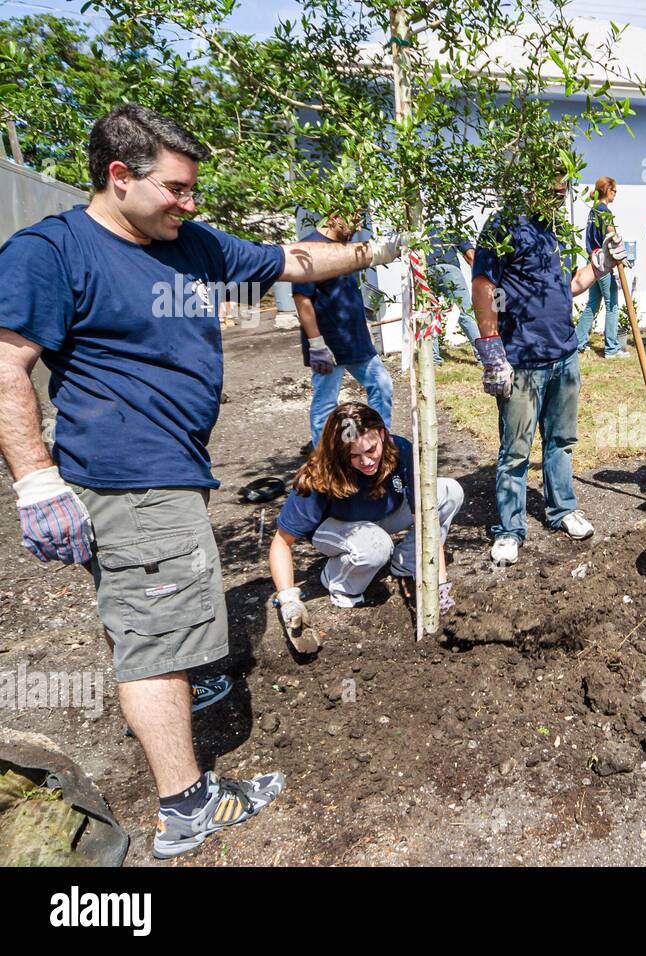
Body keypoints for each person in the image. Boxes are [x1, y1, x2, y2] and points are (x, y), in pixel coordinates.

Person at [0, 104, 410, 858]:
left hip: (170, 473)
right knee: (156, 636)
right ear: (120, 176)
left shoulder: (190, 244)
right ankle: (188, 804)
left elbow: (295, 262)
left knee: (157, 612)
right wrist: (35, 481)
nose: (190, 204)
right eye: (177, 189)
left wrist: (378, 251)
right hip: (132, 478)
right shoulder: (51, 252)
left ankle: (186, 697)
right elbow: (6, 364)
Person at [470, 174, 627, 566]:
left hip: (564, 355)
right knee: (515, 451)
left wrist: (603, 263)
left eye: (564, 186)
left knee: (561, 442)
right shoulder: (502, 225)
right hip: (522, 360)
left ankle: (563, 510)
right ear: (530, 178)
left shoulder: (553, 229)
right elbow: (483, 286)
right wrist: (492, 352)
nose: (560, 192)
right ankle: (509, 530)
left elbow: (568, 286)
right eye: (553, 184)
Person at [268, 402, 462, 651]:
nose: (367, 461)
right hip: (335, 529)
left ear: (381, 434)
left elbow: (426, 518)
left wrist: (439, 584)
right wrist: (288, 600)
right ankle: (337, 581)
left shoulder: (400, 450)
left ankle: (407, 562)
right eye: (354, 456)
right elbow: (281, 542)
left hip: (381, 516)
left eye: (371, 449)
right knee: (376, 545)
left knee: (448, 491)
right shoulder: (319, 474)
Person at [292, 211, 394, 447]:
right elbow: (302, 299)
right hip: (328, 343)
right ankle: (322, 459)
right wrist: (316, 344)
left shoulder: (347, 248)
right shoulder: (309, 248)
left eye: (360, 219)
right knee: (326, 403)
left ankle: (380, 444)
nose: (356, 224)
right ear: (333, 215)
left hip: (355, 340)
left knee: (381, 384)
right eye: (353, 218)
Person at [574, 176, 627, 358]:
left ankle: (578, 342)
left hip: (592, 261)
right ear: (607, 190)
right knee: (612, 304)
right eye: (614, 191)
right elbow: (613, 238)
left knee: (593, 303)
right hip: (603, 263)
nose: (616, 194)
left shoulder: (593, 210)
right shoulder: (604, 212)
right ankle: (612, 348)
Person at [426, 223, 481, 365]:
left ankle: (433, 359)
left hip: (427, 270)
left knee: (430, 313)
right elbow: (471, 256)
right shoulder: (451, 226)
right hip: (450, 270)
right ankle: (483, 356)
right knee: (466, 313)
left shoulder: (420, 229)